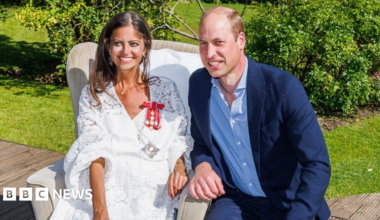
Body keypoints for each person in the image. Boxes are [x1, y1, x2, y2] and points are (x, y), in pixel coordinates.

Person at [188, 6, 331, 220]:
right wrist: (203, 167)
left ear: (241, 41)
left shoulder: (283, 88)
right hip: (236, 200)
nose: (209, 54)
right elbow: (201, 143)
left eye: (219, 42)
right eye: (203, 43)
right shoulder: (199, 84)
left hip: (287, 203)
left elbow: (317, 164)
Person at [50, 11, 192, 220]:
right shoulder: (94, 95)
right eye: (118, 43)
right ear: (108, 46)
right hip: (108, 186)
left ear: (145, 46)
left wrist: (180, 168)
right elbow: (94, 153)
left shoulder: (166, 90)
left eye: (134, 43)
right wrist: (101, 212)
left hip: (154, 188)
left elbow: (177, 138)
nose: (126, 51)